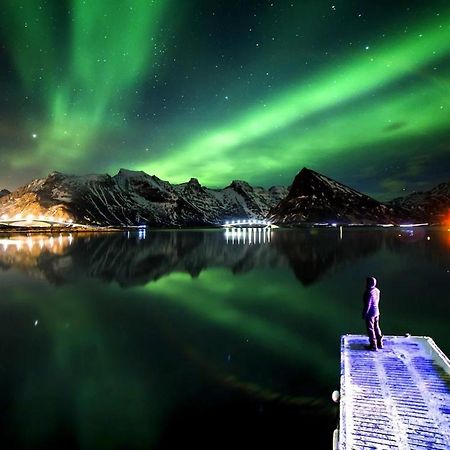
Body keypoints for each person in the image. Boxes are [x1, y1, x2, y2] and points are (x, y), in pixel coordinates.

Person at [362, 276, 383, 350]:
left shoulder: (368, 293)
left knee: (370, 329)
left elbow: (368, 305)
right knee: (376, 327)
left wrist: (364, 313)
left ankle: (373, 345)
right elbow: (377, 300)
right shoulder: (377, 290)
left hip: (370, 314)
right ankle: (380, 343)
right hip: (376, 311)